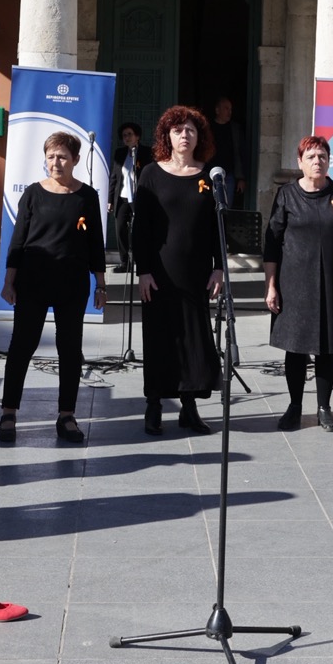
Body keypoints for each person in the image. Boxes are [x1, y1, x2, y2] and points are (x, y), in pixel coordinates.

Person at [0, 132, 106, 444]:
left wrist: (100, 284)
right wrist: (9, 281)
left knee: (70, 349)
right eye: (50, 156)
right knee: (22, 345)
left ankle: (66, 415)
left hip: (72, 283)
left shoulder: (87, 196)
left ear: (75, 160)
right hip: (33, 281)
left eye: (62, 156)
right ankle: (8, 412)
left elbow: (95, 242)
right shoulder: (33, 194)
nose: (55, 162)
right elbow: (18, 240)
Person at [134, 105, 223, 435]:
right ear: (166, 136)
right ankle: (154, 404)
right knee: (159, 337)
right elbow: (140, 229)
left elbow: (217, 227)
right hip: (159, 273)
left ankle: (189, 406)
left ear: (199, 137)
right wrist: (143, 270)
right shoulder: (151, 174)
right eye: (177, 130)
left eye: (190, 130)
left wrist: (219, 268)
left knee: (193, 339)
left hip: (197, 272)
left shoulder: (210, 175)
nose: (184, 135)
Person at [265, 135, 333, 432]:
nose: (317, 161)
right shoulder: (286, 195)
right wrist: (271, 285)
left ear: (329, 161)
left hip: (332, 283)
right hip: (294, 284)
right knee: (295, 348)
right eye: (310, 157)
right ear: (300, 162)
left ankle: (324, 408)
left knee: (327, 348)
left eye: (322, 156)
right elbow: (272, 243)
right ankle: (294, 407)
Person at [109, 122, 145, 270]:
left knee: (140, 231)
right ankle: (125, 263)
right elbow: (114, 177)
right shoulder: (120, 153)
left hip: (140, 198)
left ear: (137, 136)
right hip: (123, 197)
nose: (127, 137)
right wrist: (110, 199)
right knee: (120, 229)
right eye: (124, 135)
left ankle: (142, 262)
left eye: (130, 134)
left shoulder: (147, 152)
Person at [210, 96, 249, 205]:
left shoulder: (235, 129)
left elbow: (241, 154)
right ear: (217, 110)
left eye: (230, 109)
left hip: (228, 176)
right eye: (226, 108)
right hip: (209, 174)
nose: (229, 112)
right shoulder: (208, 128)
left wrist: (241, 178)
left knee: (226, 208)